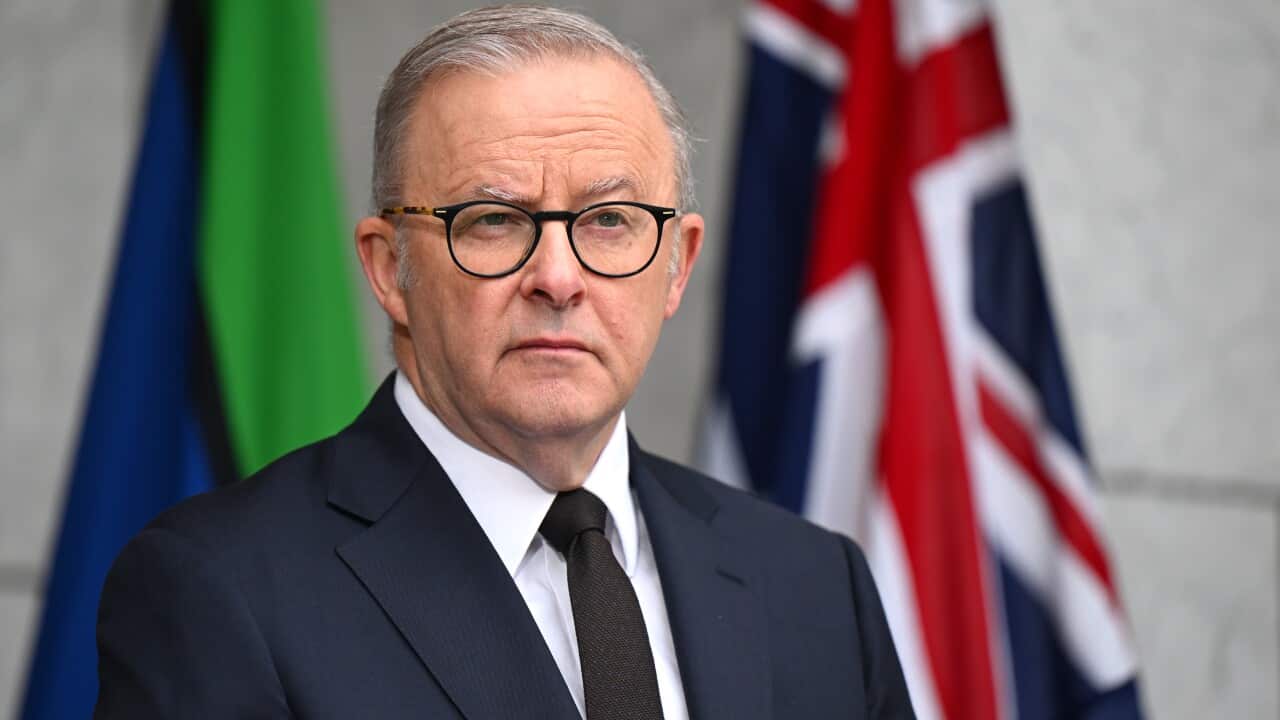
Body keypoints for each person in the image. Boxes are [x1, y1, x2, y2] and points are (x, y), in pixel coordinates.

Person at [95, 5, 914, 719]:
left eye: (609, 220)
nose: (558, 277)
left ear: (677, 266)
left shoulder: (816, 587)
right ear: (389, 270)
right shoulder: (218, 591)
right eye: (491, 220)